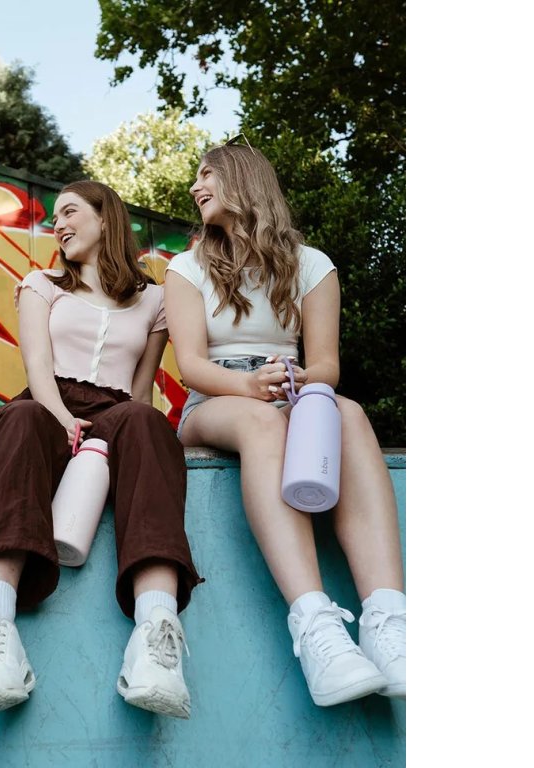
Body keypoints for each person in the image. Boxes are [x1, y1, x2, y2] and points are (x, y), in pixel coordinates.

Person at [0, 180, 201, 720]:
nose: (57, 224)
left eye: (69, 212)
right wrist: (64, 420)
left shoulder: (154, 299)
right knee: (18, 420)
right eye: (54, 217)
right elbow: (37, 366)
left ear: (106, 218)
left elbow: (141, 390)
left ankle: (156, 635)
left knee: (148, 422)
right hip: (47, 404)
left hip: (117, 412)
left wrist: (119, 441)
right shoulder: (40, 285)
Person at [164, 139, 405, 707]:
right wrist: (250, 385)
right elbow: (191, 365)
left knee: (348, 412)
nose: (196, 187)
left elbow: (327, 366)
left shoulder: (312, 264)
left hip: (293, 390)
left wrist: (295, 379)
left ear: (241, 179)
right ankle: (316, 627)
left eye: (207, 175)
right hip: (216, 399)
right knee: (261, 423)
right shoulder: (186, 267)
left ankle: (388, 622)